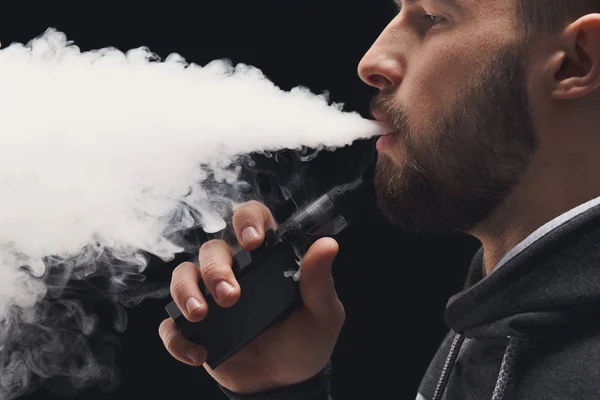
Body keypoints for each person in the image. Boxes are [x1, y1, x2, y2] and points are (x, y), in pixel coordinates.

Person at [158, 0, 600, 398]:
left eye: (432, 17)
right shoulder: (495, 318)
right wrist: (277, 387)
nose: (371, 62)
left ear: (575, 61)